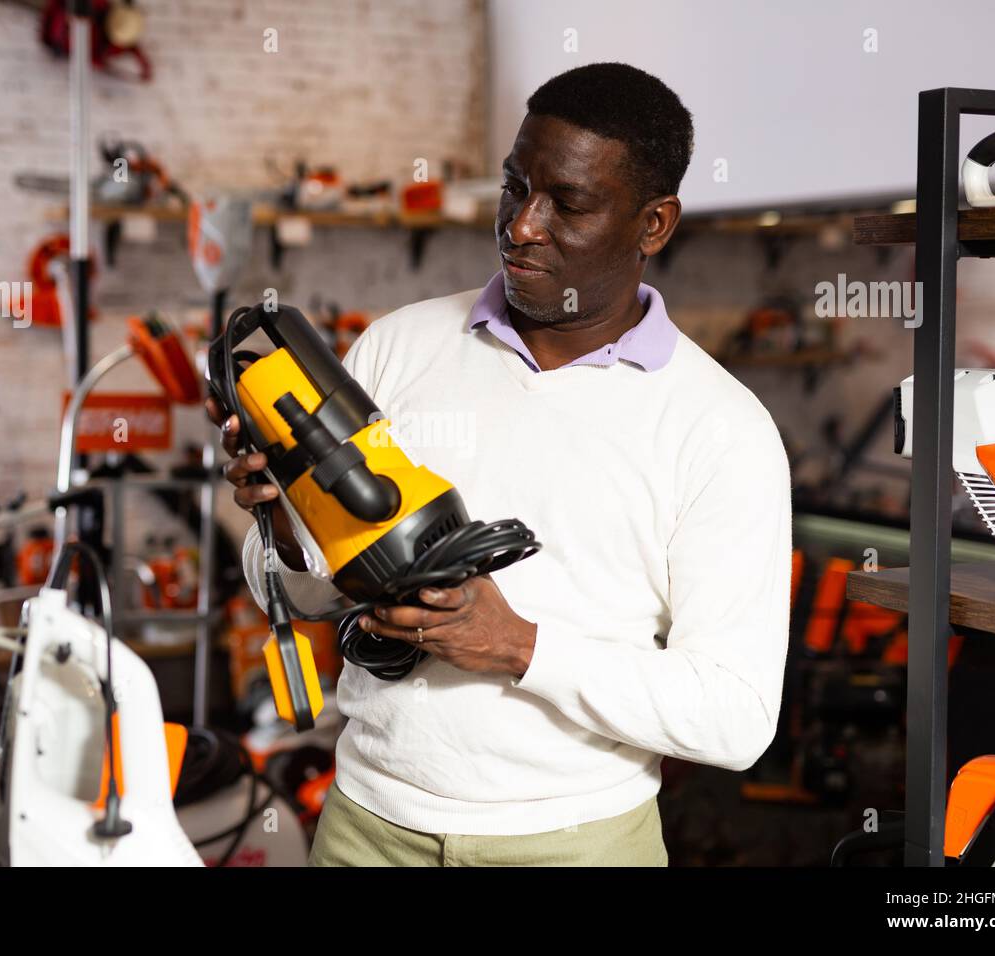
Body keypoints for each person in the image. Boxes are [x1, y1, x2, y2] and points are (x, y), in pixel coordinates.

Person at [207, 62, 792, 866]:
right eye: (516, 189)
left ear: (654, 225)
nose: (522, 226)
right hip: (365, 827)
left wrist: (517, 645)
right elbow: (304, 594)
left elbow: (735, 716)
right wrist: (281, 519)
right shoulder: (397, 347)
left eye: (569, 205)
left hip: (576, 844)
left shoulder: (719, 428)